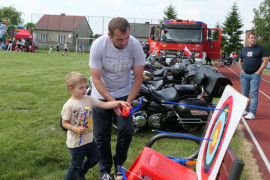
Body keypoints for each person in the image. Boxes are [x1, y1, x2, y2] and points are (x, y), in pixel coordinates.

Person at [89, 17, 145, 180]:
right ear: (110, 36)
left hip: (124, 93)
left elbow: (139, 79)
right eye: (120, 39)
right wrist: (112, 102)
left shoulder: (134, 45)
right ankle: (105, 170)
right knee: (101, 134)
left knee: (126, 130)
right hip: (101, 93)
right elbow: (97, 80)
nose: (124, 42)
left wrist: (126, 101)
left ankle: (119, 164)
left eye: (127, 37)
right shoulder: (99, 45)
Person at [61, 72, 130, 180]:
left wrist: (119, 102)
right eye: (80, 88)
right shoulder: (69, 105)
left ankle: (81, 172)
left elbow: (104, 104)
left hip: (88, 140)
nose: (84, 90)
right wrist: (75, 128)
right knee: (75, 166)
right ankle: (77, 174)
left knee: (95, 158)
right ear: (71, 89)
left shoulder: (88, 99)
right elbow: (64, 123)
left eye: (85, 87)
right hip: (76, 143)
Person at [239, 32, 269, 120]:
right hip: (244, 75)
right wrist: (241, 70)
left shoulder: (260, 49)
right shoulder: (244, 49)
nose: (253, 39)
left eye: (255, 38)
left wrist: (259, 71)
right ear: (248, 39)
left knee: (254, 94)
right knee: (244, 94)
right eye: (251, 38)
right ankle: (246, 110)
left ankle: (252, 112)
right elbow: (240, 60)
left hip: (254, 75)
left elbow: (265, 60)